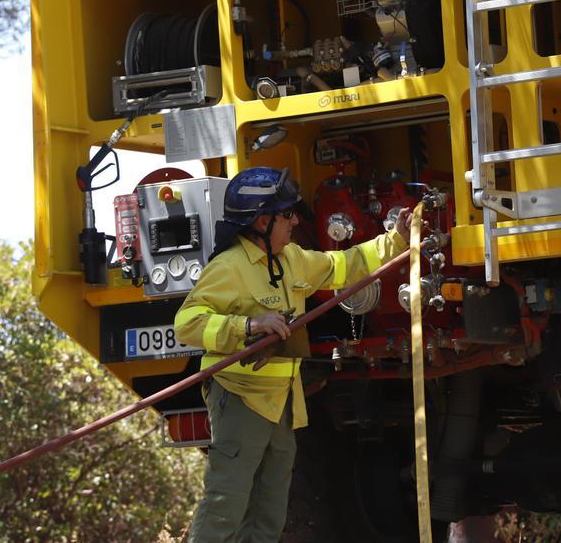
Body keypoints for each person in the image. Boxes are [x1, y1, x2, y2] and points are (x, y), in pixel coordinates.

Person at [175, 166, 411, 542]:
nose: (295, 220)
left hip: (281, 404)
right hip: (240, 400)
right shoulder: (229, 268)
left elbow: (344, 266)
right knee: (226, 505)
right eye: (287, 214)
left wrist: (396, 240)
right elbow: (187, 323)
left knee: (269, 514)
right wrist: (248, 327)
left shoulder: (293, 260)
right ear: (262, 221)